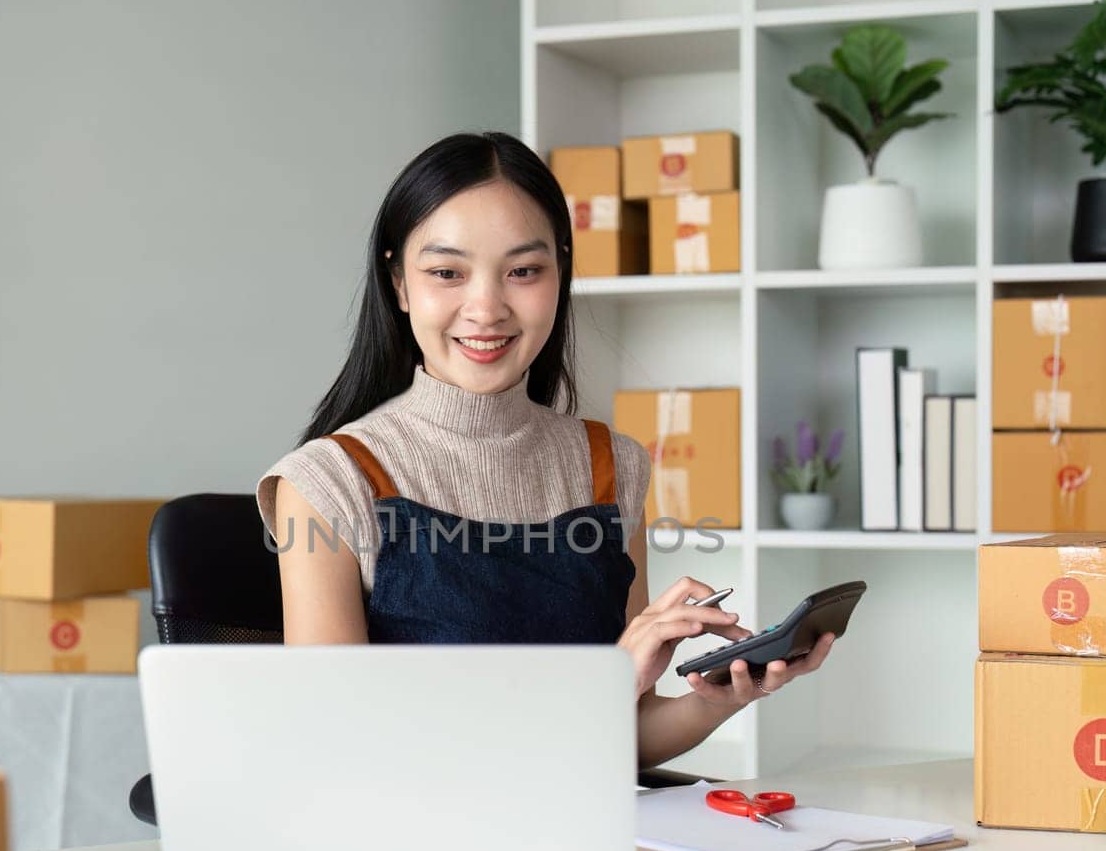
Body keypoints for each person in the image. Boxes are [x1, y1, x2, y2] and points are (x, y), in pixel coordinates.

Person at [255, 131, 833, 767]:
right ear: (398, 285)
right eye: (446, 273)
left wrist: (720, 696)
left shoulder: (611, 464)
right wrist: (603, 684)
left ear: (560, 275)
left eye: (524, 272)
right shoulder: (328, 480)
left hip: (583, 840)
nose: (486, 307)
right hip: (414, 846)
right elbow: (338, 747)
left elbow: (624, 734)